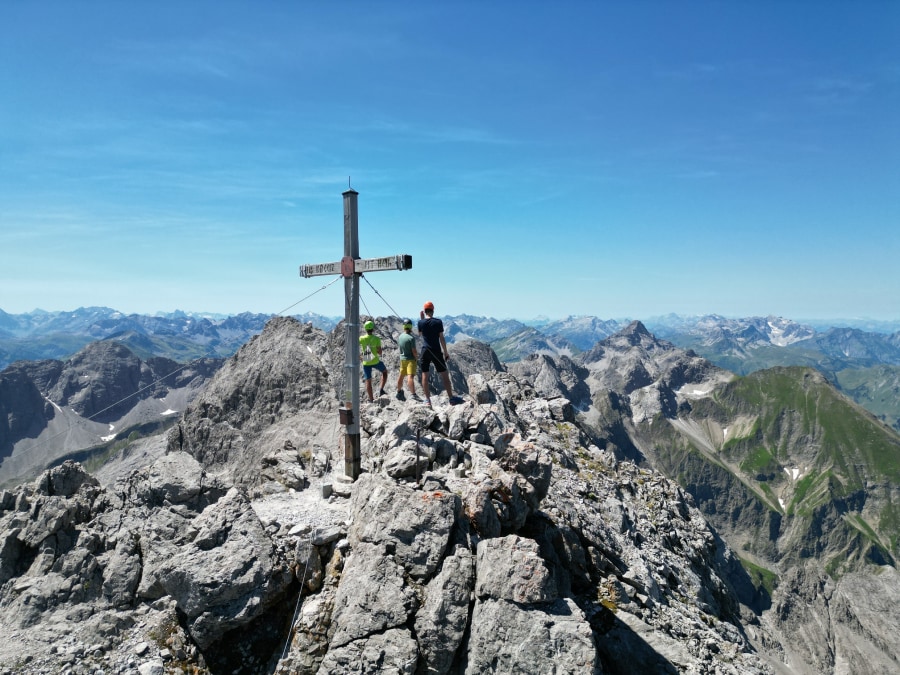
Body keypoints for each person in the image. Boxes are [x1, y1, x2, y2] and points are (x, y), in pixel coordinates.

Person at [417, 301, 463, 406]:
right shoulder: (438, 322)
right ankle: (451, 398)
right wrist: (446, 352)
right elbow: (441, 338)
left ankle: (427, 400)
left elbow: (420, 334)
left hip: (425, 351)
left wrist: (421, 319)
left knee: (425, 374)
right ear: (432, 311)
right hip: (436, 351)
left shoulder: (421, 323)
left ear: (425, 311)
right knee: (444, 375)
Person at [359, 319, 388, 402]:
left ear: (365, 329)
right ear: (373, 329)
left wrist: (359, 356)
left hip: (366, 361)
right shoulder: (377, 339)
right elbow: (379, 352)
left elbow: (355, 345)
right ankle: (381, 389)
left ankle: (371, 399)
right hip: (375, 361)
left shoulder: (362, 338)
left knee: (368, 380)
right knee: (385, 372)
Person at [396, 319, 420, 401]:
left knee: (401, 375)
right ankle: (413, 394)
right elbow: (414, 351)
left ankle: (398, 391)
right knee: (410, 377)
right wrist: (416, 358)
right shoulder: (411, 338)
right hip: (410, 360)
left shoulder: (400, 336)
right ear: (411, 327)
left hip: (402, 359)